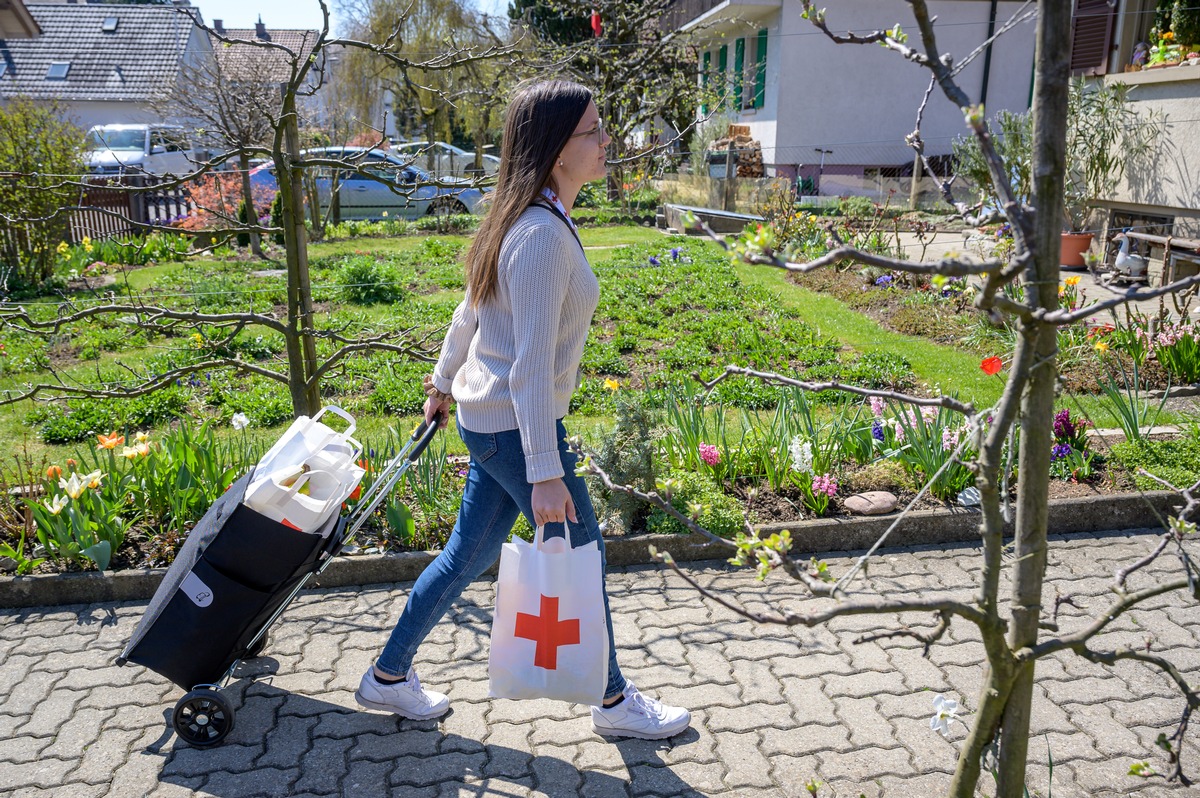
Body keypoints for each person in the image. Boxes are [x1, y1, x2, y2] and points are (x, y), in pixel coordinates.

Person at [356, 79, 691, 741]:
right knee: (582, 556)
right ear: (558, 148)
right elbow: (531, 365)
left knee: (463, 557)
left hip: (492, 423)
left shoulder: (524, 217)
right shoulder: (538, 235)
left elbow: (470, 314)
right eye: (594, 131)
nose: (606, 141)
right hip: (516, 429)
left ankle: (387, 676)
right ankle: (615, 700)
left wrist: (444, 381)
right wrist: (545, 471)